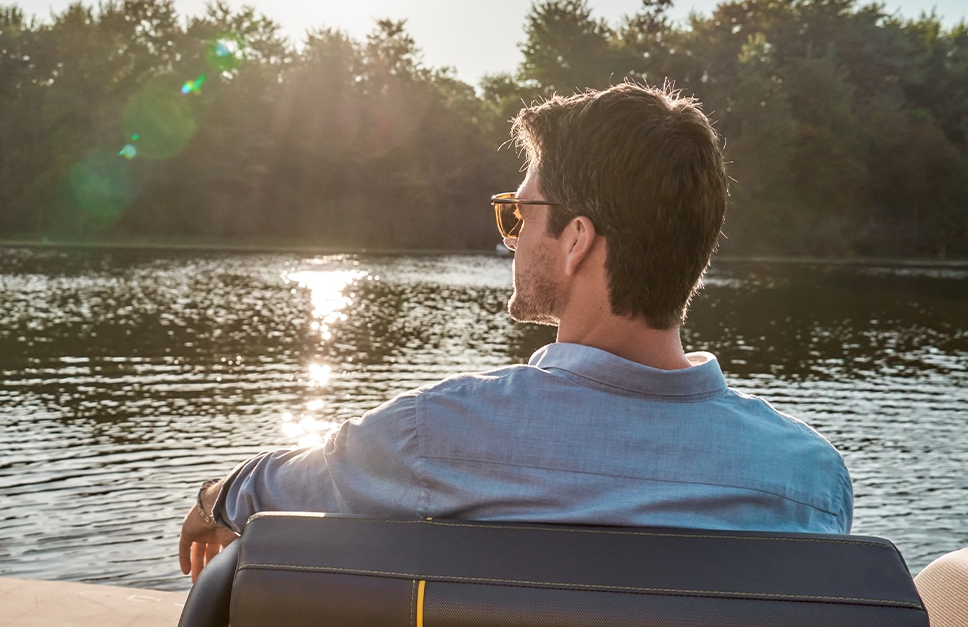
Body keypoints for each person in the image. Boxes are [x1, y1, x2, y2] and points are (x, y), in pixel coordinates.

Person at [179, 82, 853, 578]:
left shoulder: (433, 439)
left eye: (517, 215)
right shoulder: (808, 483)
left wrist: (218, 495)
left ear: (576, 241)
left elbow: (293, 485)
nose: (510, 239)